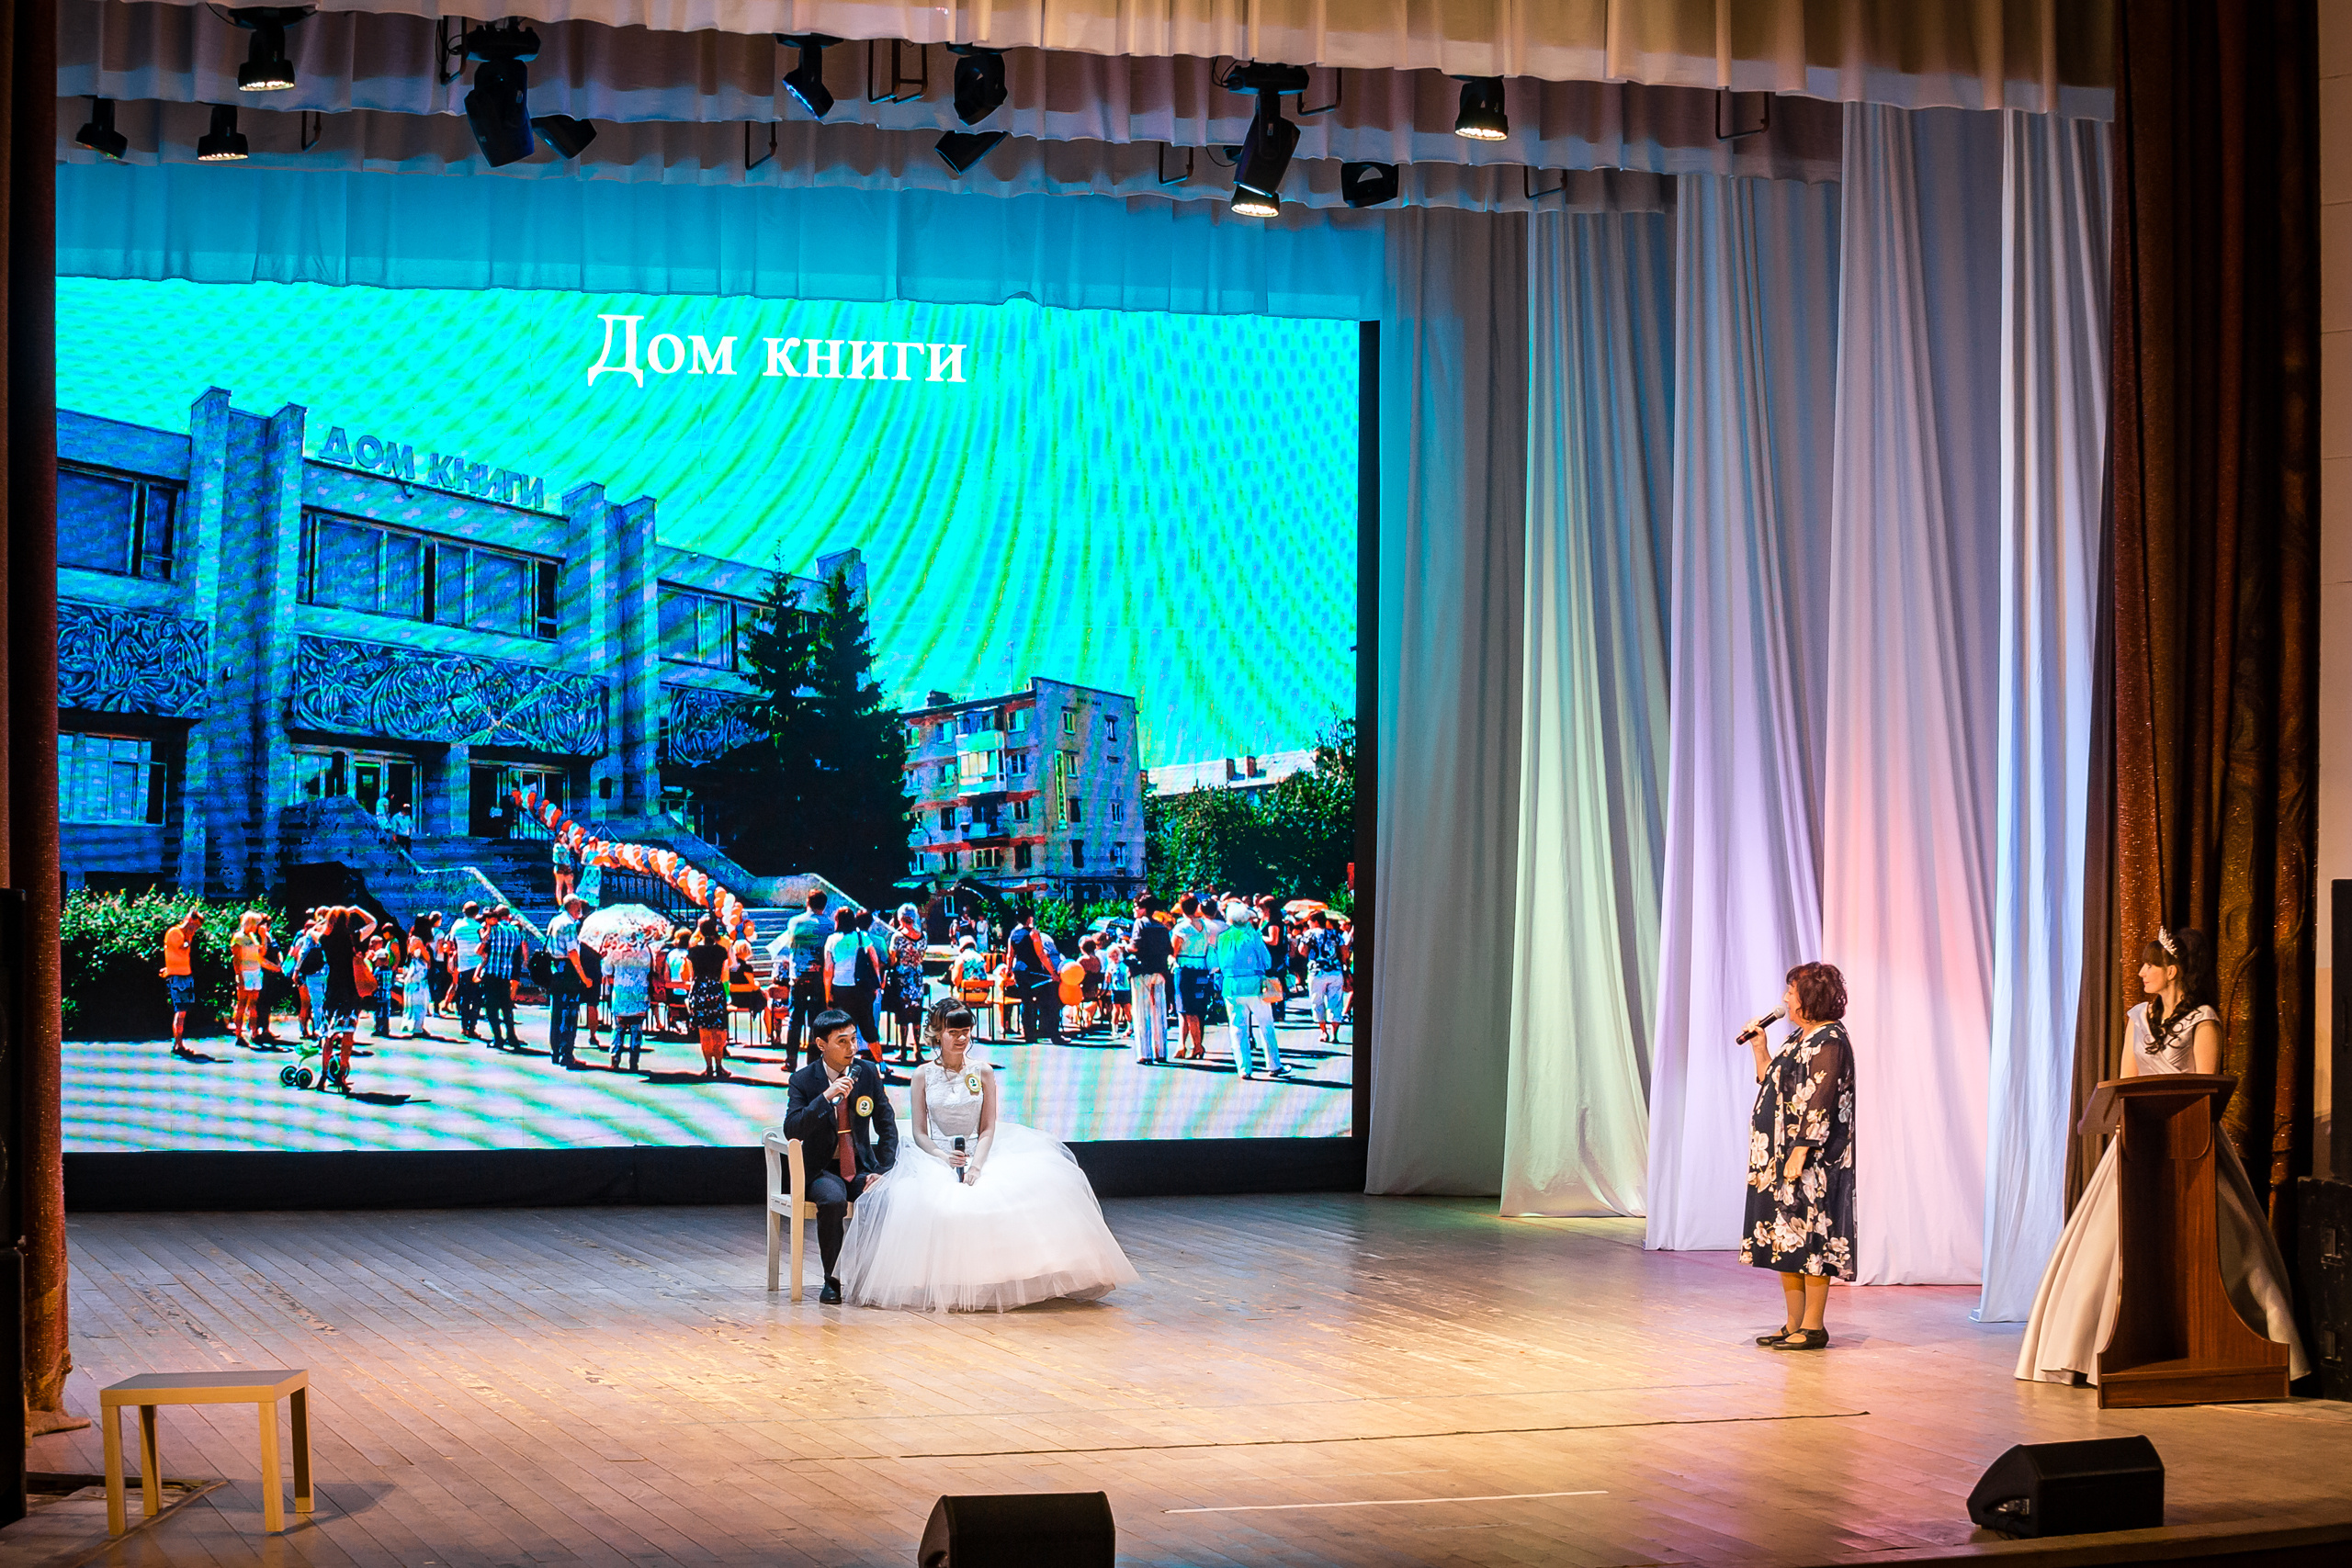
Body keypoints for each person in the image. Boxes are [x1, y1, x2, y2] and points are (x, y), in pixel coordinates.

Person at [2014, 929, 2311, 1386]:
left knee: (2221, 1242)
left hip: (2191, 1147)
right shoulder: (2137, 1017)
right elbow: (2124, 1084)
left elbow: (2207, 1091)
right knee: (2107, 1245)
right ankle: (2089, 1350)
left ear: (2172, 971)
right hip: (2137, 1144)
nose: (2140, 972)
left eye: (2149, 965)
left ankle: (2228, 1343)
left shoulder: (2203, 1020)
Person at [838, 1001, 1139, 1312]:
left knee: (1026, 1194)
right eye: (953, 1033)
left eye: (965, 1032)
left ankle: (1008, 1280)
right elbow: (919, 1132)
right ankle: (946, 1281)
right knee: (934, 1205)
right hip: (935, 1155)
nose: (961, 1039)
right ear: (937, 1034)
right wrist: (943, 1157)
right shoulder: (923, 1075)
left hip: (980, 1151)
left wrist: (977, 1165)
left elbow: (987, 1127)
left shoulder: (982, 1071)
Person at [1740, 961, 1857, 1350]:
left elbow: (1821, 1099)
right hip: (1779, 1155)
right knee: (1786, 1241)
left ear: (1810, 997)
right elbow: (1771, 1083)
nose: (1786, 999)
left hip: (1812, 1161)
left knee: (1810, 1240)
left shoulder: (1829, 1040)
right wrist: (1761, 1049)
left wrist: (1801, 1151)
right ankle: (1793, 1324)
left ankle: (1814, 1325)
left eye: (1791, 992)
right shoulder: (1797, 1038)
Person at [783, 1010, 899, 1304]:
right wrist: (825, 1098)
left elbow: (887, 1124)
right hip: (822, 1169)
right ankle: (831, 1279)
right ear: (821, 1044)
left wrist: (883, 1170)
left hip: (860, 1165)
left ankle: (869, 1278)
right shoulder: (803, 1079)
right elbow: (792, 1129)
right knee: (833, 1201)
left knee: (884, 1197)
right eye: (842, 1041)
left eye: (854, 1040)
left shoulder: (867, 1072)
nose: (852, 1048)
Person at [1213, 901, 1285, 1079]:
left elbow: (1218, 963)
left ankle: (1244, 1068)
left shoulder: (1223, 937)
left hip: (1231, 986)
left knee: (1237, 1028)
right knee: (1266, 1025)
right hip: (1255, 985)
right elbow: (1267, 961)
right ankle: (1274, 1065)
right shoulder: (1254, 935)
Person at [316, 905, 379, 1092]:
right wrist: (357, 909)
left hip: (332, 988)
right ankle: (342, 1077)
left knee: (329, 1035)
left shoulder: (324, 939)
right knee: (348, 1035)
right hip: (350, 989)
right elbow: (373, 923)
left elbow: (314, 930)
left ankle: (323, 1075)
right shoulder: (353, 937)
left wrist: (326, 920)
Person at [774, 890, 831, 1072]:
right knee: (816, 1020)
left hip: (798, 975)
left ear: (808, 902)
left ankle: (791, 1059)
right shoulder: (830, 925)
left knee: (795, 1018)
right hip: (819, 977)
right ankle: (813, 1061)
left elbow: (790, 943)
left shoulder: (795, 922)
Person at [823, 907, 880, 1052]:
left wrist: (828, 993)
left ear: (838, 921)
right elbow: (874, 960)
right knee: (868, 1027)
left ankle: (845, 1063)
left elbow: (829, 969)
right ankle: (881, 1064)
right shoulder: (862, 937)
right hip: (861, 988)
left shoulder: (832, 940)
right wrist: (876, 983)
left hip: (840, 987)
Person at [475, 905, 529, 1051]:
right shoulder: (516, 931)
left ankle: (498, 1038)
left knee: (491, 1008)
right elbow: (519, 949)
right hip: (507, 974)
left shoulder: (493, 930)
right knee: (506, 1008)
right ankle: (512, 1037)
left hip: (492, 972)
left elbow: (482, 948)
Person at [685, 917, 734, 1078]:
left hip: (699, 989)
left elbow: (691, 975)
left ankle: (708, 1067)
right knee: (718, 1031)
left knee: (704, 1032)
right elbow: (725, 974)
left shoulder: (693, 952)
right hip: (716, 988)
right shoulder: (721, 951)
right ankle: (720, 1066)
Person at [546, 895, 591, 1068]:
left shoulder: (555, 921)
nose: (580, 909)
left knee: (556, 1011)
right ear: (573, 906)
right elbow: (573, 952)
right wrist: (583, 977)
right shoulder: (569, 924)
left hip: (555, 967)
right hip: (568, 969)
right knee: (569, 1013)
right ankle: (567, 1053)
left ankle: (555, 1051)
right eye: (578, 905)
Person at [1170, 896, 1216, 1060]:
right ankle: (1182, 1045)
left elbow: (1173, 951)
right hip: (1202, 970)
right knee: (1194, 1008)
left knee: (1186, 1009)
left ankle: (1197, 1045)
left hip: (1185, 971)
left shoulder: (1181, 928)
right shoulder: (1204, 925)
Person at [1128, 897, 1172, 1065]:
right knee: (1159, 1012)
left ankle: (1144, 1054)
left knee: (1141, 1012)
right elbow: (1169, 949)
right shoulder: (1162, 927)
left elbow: (1136, 947)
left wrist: (1124, 946)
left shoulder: (1140, 923)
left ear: (1144, 908)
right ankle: (1160, 1051)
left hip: (1142, 971)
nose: (1134, 910)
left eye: (1136, 906)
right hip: (1160, 971)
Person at [228, 911, 277, 1048]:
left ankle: (254, 1033)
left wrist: (263, 937)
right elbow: (236, 959)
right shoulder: (238, 937)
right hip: (245, 972)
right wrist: (239, 977)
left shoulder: (254, 936)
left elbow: (261, 953)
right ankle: (239, 1034)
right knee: (242, 1003)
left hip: (255, 971)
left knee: (254, 1004)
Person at [605, 936, 653, 1072]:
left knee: (618, 1027)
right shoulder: (645, 952)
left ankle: (615, 1059)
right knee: (636, 1028)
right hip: (639, 993)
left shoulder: (616, 952)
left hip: (621, 992)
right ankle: (634, 1061)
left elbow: (606, 970)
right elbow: (650, 969)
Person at [886, 904, 928, 1062]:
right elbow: (922, 956)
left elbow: (892, 958)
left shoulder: (898, 936)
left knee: (902, 1013)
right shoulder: (923, 936)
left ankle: (903, 1050)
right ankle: (918, 1049)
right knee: (917, 1012)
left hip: (902, 978)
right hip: (917, 977)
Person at [162, 907, 204, 1060]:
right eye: (195, 925)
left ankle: (179, 1043)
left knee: (184, 1011)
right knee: (180, 1011)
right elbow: (180, 949)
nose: (195, 929)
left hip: (185, 974)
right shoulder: (175, 933)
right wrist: (189, 937)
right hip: (178, 976)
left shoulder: (184, 935)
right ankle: (177, 1043)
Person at [1301, 910, 1348, 1044]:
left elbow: (1302, 950)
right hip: (1335, 971)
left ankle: (1323, 1032)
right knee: (1336, 1001)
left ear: (1315, 921)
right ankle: (1334, 1034)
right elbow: (1344, 950)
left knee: (1317, 1000)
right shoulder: (1335, 933)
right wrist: (1344, 966)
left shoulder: (1309, 933)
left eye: (1309, 921)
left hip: (1316, 972)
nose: (1308, 924)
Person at [448, 900, 485, 1038]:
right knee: (477, 999)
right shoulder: (478, 927)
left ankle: (464, 1026)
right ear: (476, 913)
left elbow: (452, 944)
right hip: (477, 967)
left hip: (463, 966)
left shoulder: (457, 926)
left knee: (464, 997)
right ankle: (472, 1027)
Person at [551, 834, 576, 904]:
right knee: (560, 886)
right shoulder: (557, 846)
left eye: (565, 837)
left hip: (567, 867)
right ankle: (560, 903)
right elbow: (561, 856)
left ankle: (569, 902)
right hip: (560, 867)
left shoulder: (565, 846)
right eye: (563, 837)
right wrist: (567, 849)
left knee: (570, 886)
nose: (565, 839)